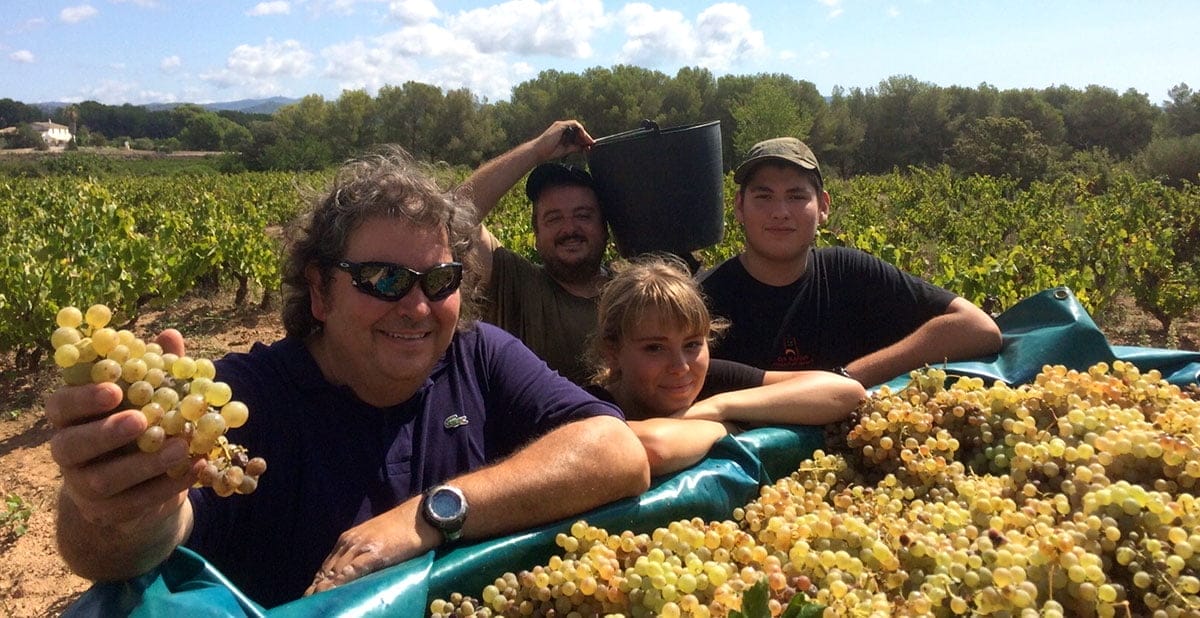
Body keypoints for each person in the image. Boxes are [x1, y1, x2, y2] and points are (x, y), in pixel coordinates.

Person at [47, 146, 650, 609]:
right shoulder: (244, 400)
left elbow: (615, 449)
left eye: (440, 280)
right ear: (319, 289)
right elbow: (126, 549)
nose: (417, 306)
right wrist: (117, 509)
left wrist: (426, 517)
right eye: (383, 279)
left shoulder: (478, 356)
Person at [699, 137, 1003, 387]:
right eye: (764, 197)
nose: (780, 212)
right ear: (739, 207)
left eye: (796, 196)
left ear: (823, 207)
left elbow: (979, 328)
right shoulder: (702, 300)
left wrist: (851, 377)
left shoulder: (850, 272)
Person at [587, 255, 866, 476]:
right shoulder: (590, 406)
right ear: (613, 352)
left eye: (692, 344)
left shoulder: (713, 380)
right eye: (655, 348)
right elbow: (651, 449)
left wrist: (719, 406)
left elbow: (845, 392)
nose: (681, 366)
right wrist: (725, 428)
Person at [457, 120, 607, 384]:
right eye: (553, 219)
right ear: (536, 234)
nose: (569, 229)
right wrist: (536, 151)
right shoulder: (516, 284)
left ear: (605, 226)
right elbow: (453, 217)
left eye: (583, 215)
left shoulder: (633, 292)